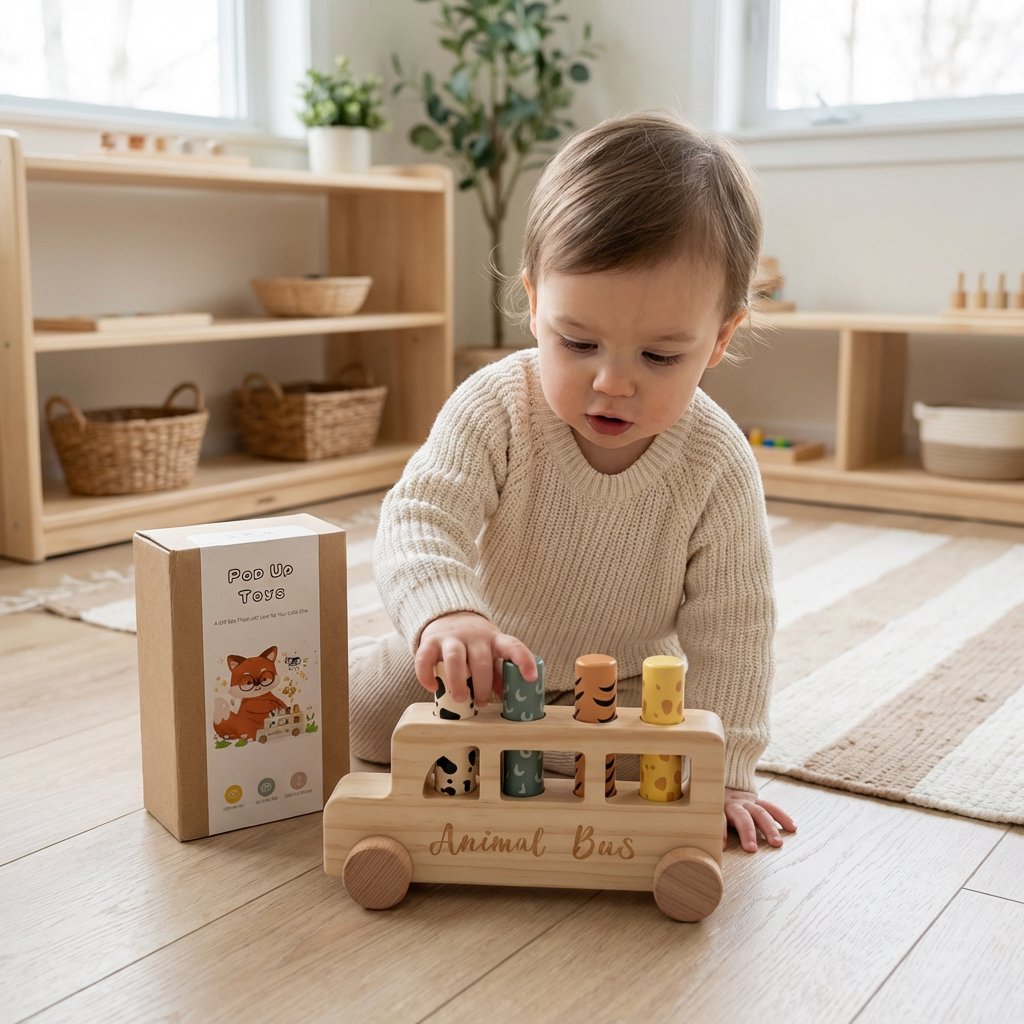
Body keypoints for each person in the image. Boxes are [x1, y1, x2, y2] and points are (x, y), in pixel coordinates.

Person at [349, 110, 796, 853]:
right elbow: (422, 517)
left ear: (720, 339)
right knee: (366, 716)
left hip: (619, 688)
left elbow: (736, 623)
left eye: (660, 357)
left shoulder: (716, 459)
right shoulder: (498, 404)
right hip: (483, 665)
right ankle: (392, 655)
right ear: (533, 303)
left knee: (639, 773)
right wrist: (446, 617)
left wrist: (732, 770)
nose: (612, 383)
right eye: (578, 342)